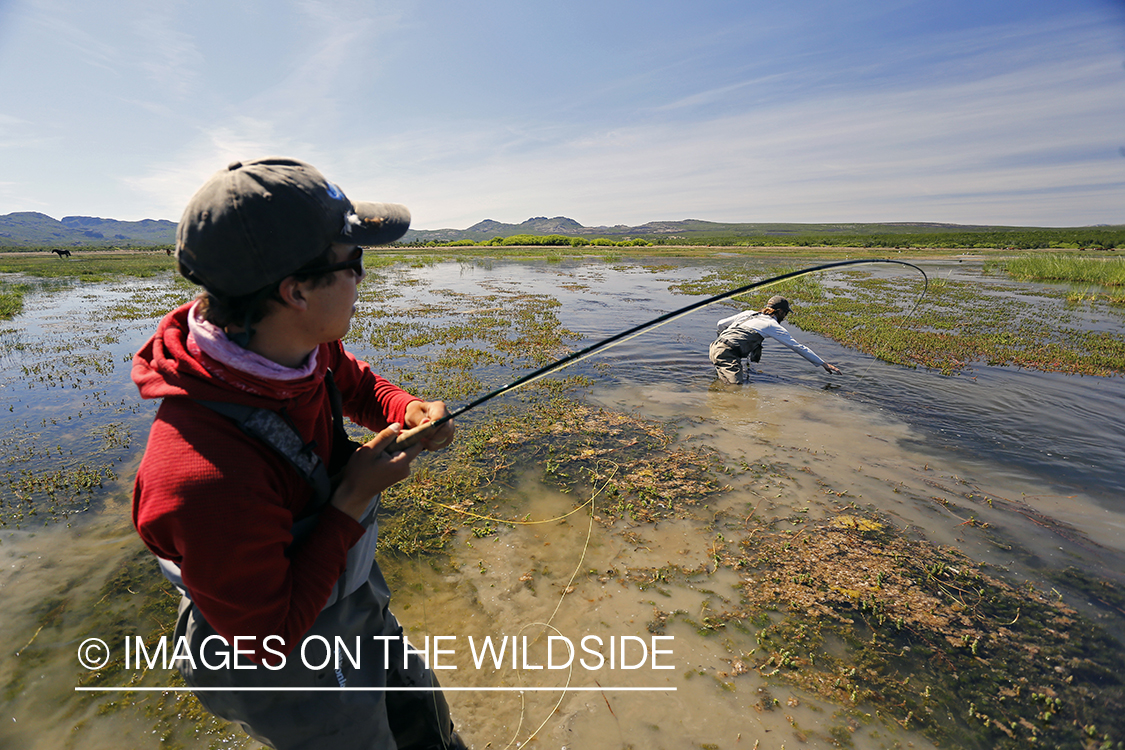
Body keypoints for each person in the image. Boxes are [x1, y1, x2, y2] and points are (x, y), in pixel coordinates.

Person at [131, 157, 468, 749]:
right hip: (281, 658)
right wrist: (353, 499)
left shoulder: (296, 350)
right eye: (354, 263)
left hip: (348, 602)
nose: (362, 280)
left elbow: (351, 379)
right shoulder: (201, 475)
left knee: (421, 714)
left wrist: (403, 407)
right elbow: (266, 638)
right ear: (295, 291)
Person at [709, 295, 841, 384]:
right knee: (735, 389)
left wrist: (721, 343)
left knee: (724, 382)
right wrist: (823, 363)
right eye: (786, 313)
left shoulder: (748, 313)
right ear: (780, 312)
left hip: (715, 347)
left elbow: (720, 324)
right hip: (727, 353)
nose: (785, 316)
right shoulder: (772, 325)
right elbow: (797, 347)